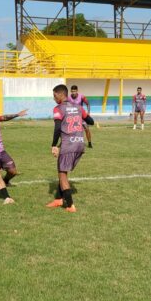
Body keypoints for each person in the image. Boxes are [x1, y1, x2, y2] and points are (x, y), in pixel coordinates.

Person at [48, 84, 92, 212]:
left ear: (61, 94)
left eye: (55, 95)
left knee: (62, 174)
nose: (54, 98)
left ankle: (70, 205)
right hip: (79, 144)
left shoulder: (58, 108)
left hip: (68, 145)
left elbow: (57, 128)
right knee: (64, 171)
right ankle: (58, 199)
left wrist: (53, 145)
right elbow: (90, 121)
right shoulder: (78, 107)